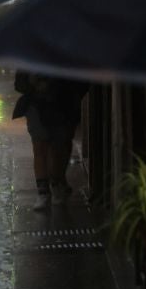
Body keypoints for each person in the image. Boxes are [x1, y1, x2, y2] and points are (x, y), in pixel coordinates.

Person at [12, 72, 89, 210]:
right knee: (39, 146)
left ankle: (57, 182)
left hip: (62, 105)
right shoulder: (31, 56)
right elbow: (19, 83)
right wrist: (33, 85)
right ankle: (44, 191)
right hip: (36, 106)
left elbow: (80, 83)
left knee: (58, 146)